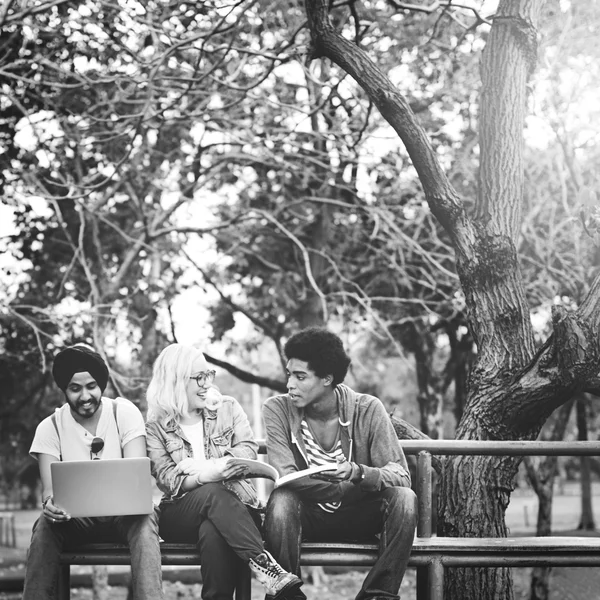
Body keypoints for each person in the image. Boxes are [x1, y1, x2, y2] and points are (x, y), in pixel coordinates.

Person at [263, 328, 417, 600]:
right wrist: (341, 489)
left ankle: (377, 596)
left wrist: (357, 473)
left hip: (357, 514)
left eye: (300, 377)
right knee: (281, 499)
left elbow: (400, 475)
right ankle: (286, 596)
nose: (289, 385)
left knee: (404, 499)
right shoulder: (277, 409)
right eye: (289, 374)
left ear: (327, 379)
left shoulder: (367, 409)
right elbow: (285, 475)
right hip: (305, 516)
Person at [145, 343, 303, 600]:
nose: (207, 383)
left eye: (209, 374)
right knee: (213, 492)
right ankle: (268, 570)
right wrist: (208, 476)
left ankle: (266, 578)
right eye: (199, 377)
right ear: (174, 381)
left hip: (239, 507)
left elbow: (248, 450)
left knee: (213, 529)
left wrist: (210, 466)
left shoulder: (227, 408)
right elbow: (169, 479)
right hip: (181, 513)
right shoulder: (156, 428)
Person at [23, 344, 164, 600]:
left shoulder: (124, 413)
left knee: (145, 519)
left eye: (91, 386)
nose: (85, 396)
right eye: (75, 389)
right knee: (45, 524)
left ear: (101, 385)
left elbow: (136, 476)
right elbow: (49, 491)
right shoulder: (50, 427)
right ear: (64, 390)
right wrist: (50, 505)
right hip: (76, 522)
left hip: (126, 519)